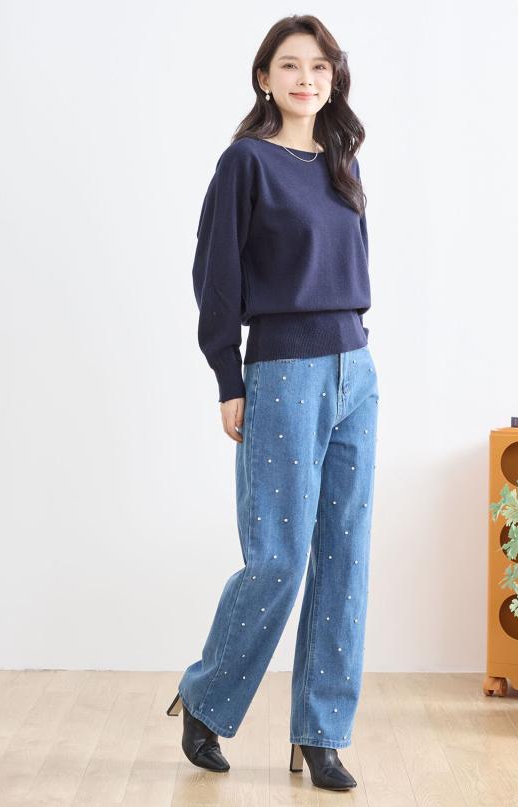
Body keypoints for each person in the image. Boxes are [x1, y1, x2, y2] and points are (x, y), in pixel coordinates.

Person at [166, 14, 379, 793]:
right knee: (280, 558)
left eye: (319, 67)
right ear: (264, 78)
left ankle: (321, 734)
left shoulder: (343, 162)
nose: (305, 79)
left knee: (345, 558)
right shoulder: (245, 163)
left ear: (334, 79)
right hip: (283, 372)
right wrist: (229, 376)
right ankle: (206, 695)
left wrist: (355, 358)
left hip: (356, 371)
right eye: (290, 65)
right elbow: (215, 273)